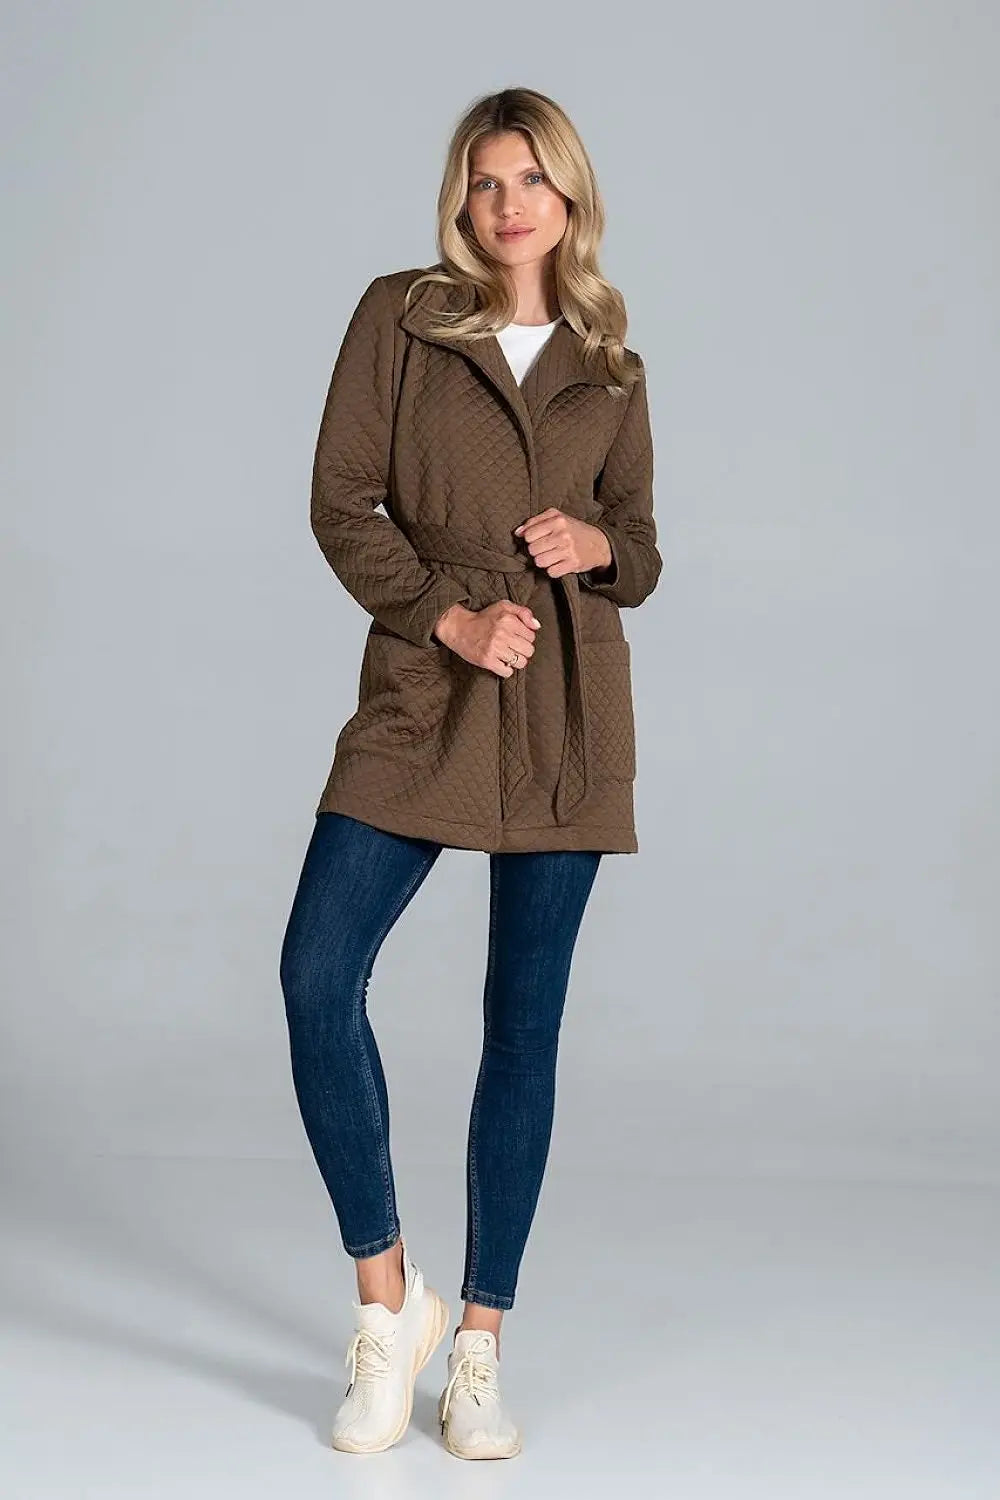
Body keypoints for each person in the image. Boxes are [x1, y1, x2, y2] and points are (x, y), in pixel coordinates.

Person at [279, 85, 662, 1461]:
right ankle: (390, 1308)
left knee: (522, 1028)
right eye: (487, 181)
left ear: (571, 199)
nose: (509, 205)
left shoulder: (611, 363)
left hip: (562, 707)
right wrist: (447, 616)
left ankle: (482, 1344)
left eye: (533, 180)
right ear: (461, 198)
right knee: (316, 973)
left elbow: (642, 548)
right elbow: (341, 503)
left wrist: (596, 550)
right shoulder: (403, 316)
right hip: (428, 688)